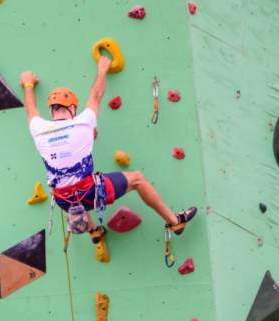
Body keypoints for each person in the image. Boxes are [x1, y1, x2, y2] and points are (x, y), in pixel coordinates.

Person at [19, 56, 197, 253]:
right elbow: (96, 94)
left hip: (62, 199)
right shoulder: (82, 123)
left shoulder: (38, 128)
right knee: (137, 179)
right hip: (90, 192)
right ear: (72, 109)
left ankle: (95, 231)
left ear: (52, 111)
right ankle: (175, 221)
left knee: (74, 197)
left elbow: (30, 109)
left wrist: (28, 83)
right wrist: (103, 68)